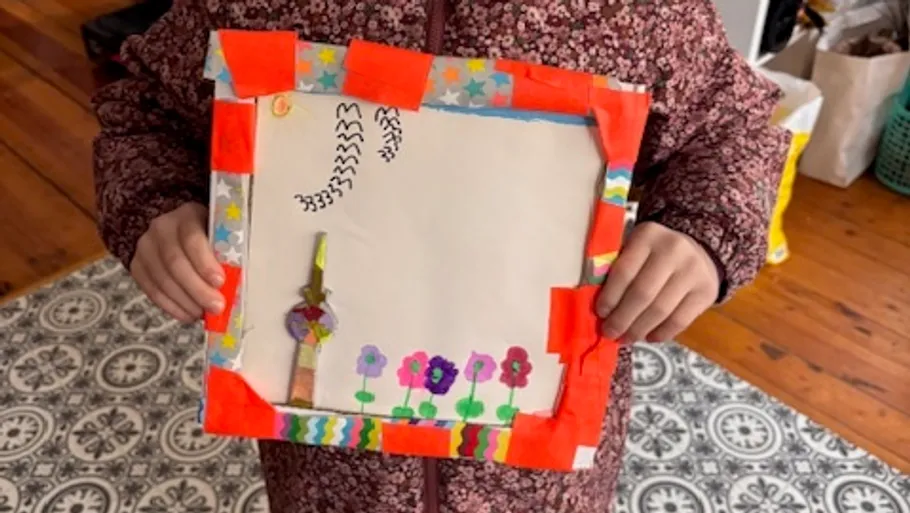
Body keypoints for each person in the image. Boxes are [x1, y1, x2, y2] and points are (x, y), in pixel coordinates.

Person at [92, 1, 789, 512]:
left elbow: (734, 130)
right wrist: (155, 205)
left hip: (542, 470)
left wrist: (703, 234)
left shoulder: (640, 12)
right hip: (329, 466)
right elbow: (147, 105)